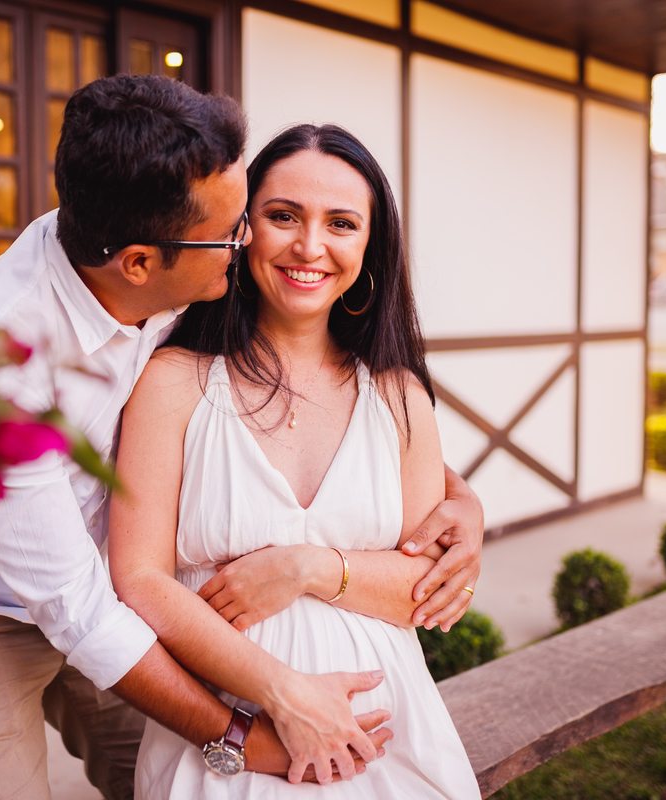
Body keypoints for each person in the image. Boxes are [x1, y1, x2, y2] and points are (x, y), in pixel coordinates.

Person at [0, 77, 483, 800]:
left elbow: (365, 435)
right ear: (138, 263)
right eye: (236, 230)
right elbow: (81, 610)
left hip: (110, 581)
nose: (249, 242)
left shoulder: (150, 244)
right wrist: (249, 733)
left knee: (161, 774)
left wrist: (459, 500)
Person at [108, 123, 482, 798]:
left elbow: (424, 586)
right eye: (283, 216)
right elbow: (139, 579)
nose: (309, 246)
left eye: (341, 223)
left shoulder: (399, 395)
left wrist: (307, 569)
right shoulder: (174, 380)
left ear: (370, 248)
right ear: (244, 227)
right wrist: (282, 699)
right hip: (233, 737)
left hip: (383, 738)